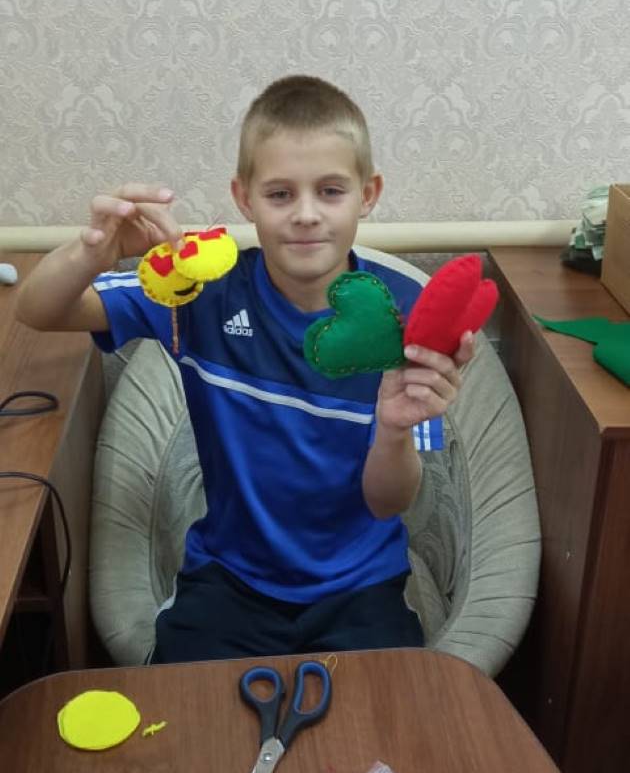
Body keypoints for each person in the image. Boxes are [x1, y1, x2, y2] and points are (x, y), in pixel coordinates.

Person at [17, 75, 473, 662]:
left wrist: (391, 428)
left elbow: (390, 503)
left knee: (385, 718)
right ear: (243, 197)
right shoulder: (199, 291)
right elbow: (38, 311)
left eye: (330, 191)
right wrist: (93, 252)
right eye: (280, 194)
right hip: (228, 580)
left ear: (368, 193)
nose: (305, 215)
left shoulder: (410, 312)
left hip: (362, 587)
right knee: (186, 714)